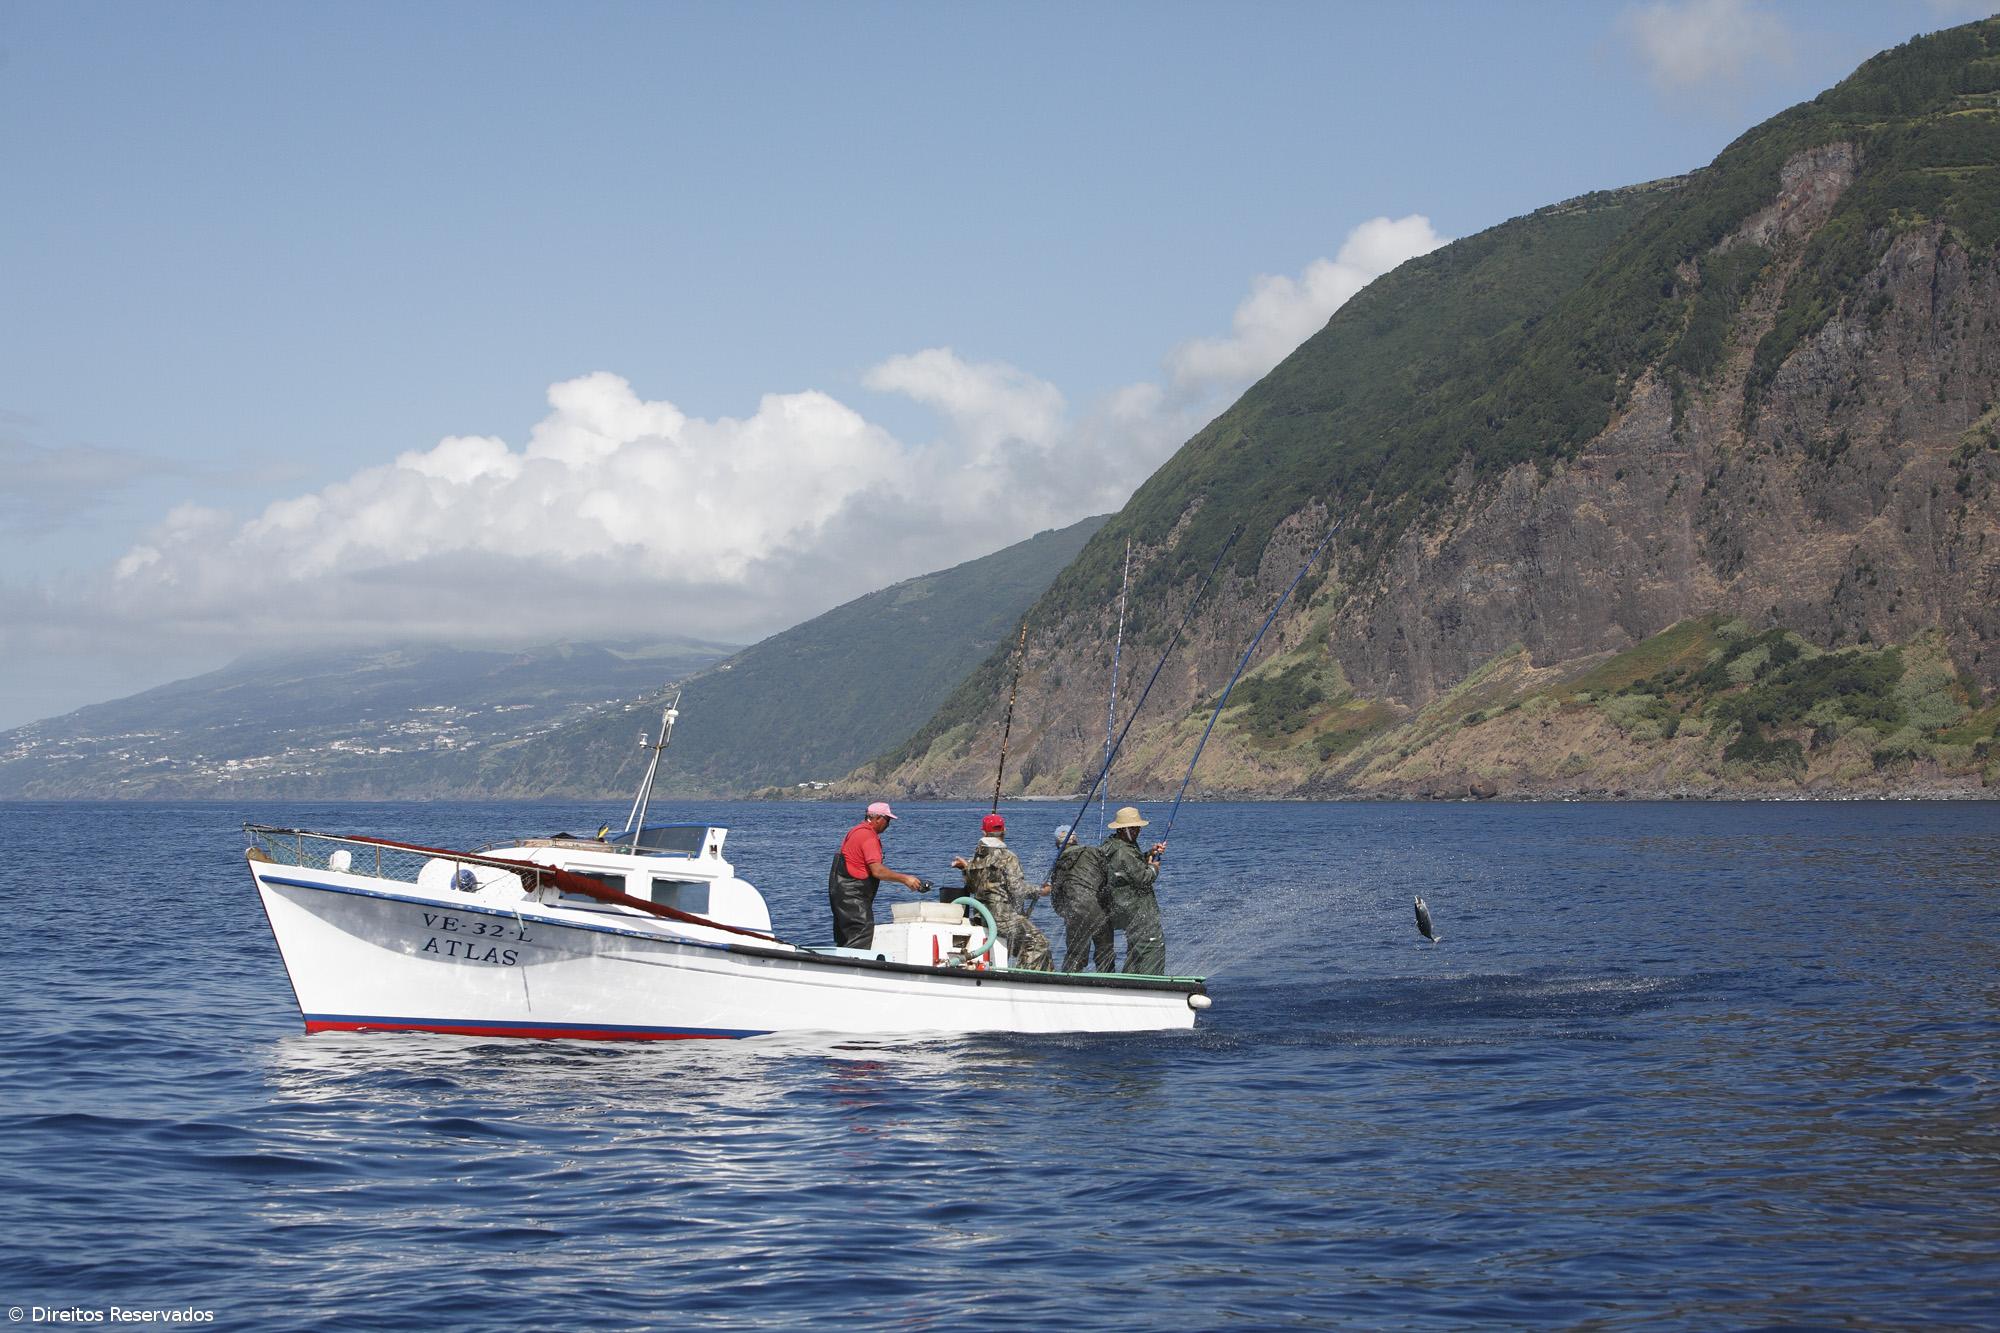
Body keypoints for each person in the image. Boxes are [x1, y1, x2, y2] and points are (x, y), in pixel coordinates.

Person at [950, 812, 1052, 971]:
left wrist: (965, 869)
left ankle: (1047, 977)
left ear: (983, 833)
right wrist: (1041, 891)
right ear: (1004, 831)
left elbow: (972, 888)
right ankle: (1023, 979)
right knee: (1039, 943)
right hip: (1003, 918)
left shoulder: (976, 858)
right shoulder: (1008, 857)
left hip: (982, 917)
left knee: (1025, 946)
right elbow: (1017, 890)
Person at [828, 801, 929, 948]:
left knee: (846, 936)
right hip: (853, 897)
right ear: (877, 818)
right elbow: (877, 871)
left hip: (840, 894)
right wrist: (905, 879)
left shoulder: (855, 832)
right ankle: (855, 962)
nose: (888, 824)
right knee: (862, 933)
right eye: (887, 820)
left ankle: (844, 960)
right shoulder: (869, 837)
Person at [1099, 806, 1167, 974]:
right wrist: (1154, 867)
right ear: (1123, 829)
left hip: (1125, 909)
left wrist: (1149, 853)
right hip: (1137, 910)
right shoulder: (1124, 851)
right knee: (1153, 946)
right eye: (1134, 828)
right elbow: (1144, 878)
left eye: (1138, 827)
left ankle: (1130, 981)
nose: (1138, 831)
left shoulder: (1115, 845)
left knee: (1136, 949)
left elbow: (1128, 868)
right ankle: (1151, 984)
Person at [1047, 823, 1112, 972]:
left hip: (1076, 913)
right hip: (1101, 911)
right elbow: (1108, 879)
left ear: (1058, 844)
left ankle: (1067, 983)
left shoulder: (1060, 862)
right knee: (1105, 956)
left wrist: (1066, 914)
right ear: (1076, 840)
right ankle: (1109, 982)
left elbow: (1056, 897)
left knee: (1076, 956)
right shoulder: (1094, 852)